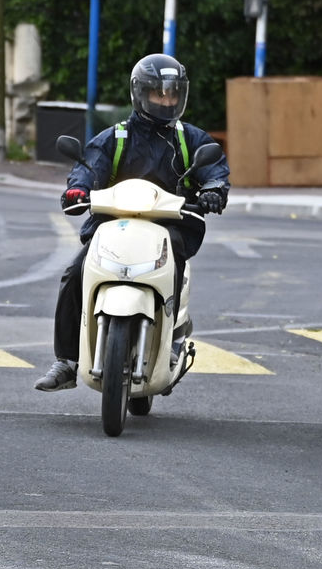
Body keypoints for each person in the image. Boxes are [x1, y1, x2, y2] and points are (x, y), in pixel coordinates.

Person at [34, 53, 231, 391]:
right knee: (74, 273)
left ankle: (171, 340)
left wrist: (214, 189)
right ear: (139, 93)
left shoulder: (190, 139)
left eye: (172, 93)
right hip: (114, 224)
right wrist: (78, 189)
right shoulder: (117, 137)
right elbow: (89, 166)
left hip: (170, 225)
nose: (166, 100)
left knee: (173, 267)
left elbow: (214, 169)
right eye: (158, 93)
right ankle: (66, 361)